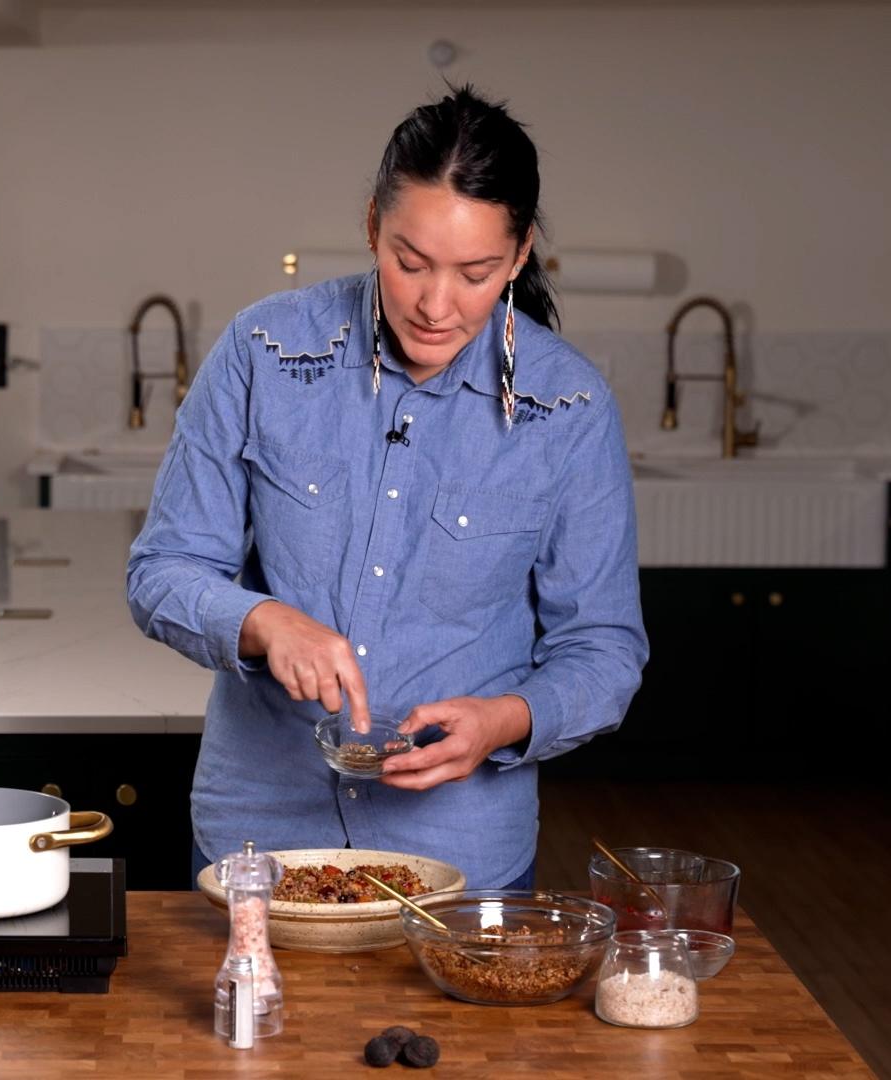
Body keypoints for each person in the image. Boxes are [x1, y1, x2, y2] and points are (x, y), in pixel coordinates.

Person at [125, 86, 648, 891]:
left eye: (476, 273)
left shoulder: (568, 408)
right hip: (258, 835)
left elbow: (604, 649)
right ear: (372, 227)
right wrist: (265, 621)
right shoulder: (263, 351)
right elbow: (161, 570)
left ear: (518, 256)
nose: (437, 305)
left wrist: (502, 722)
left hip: (459, 854)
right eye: (410, 263)